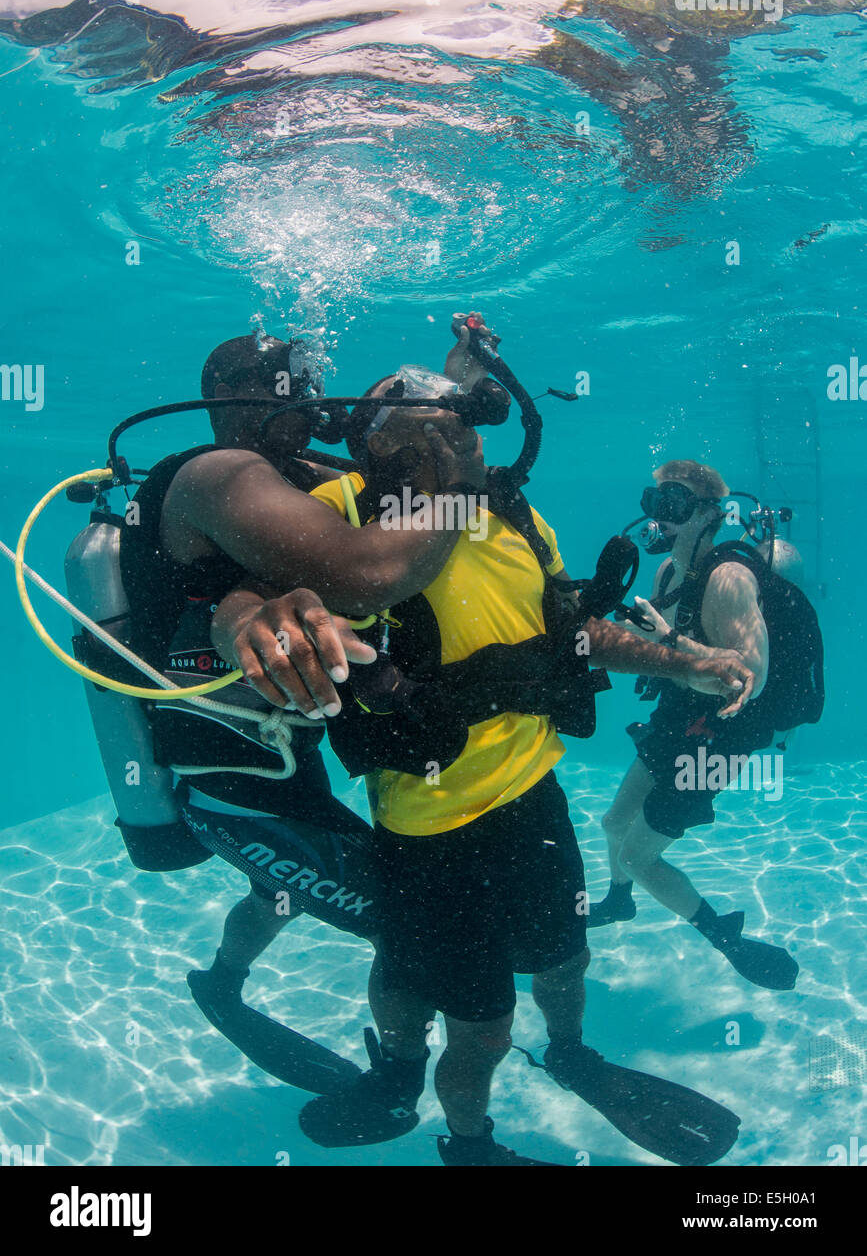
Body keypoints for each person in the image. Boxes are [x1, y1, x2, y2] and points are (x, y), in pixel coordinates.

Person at [217, 372, 755, 1165]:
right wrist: (247, 623)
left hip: (534, 796)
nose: (457, 437)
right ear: (372, 438)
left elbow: (573, 629)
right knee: (475, 1023)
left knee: (567, 960)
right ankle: (459, 1132)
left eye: (461, 422)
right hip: (427, 827)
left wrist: (688, 662)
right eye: (425, 422)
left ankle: (571, 1053)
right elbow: (254, 591)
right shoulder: (344, 513)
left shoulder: (509, 511)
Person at [116, 331, 484, 1078]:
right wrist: (463, 487)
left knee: (274, 889)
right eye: (292, 379)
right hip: (233, 789)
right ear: (232, 395)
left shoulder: (286, 475)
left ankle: (220, 984)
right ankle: (397, 1081)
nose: (312, 395)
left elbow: (388, 483)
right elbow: (366, 571)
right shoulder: (221, 472)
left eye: (311, 378)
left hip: (280, 760)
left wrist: (446, 402)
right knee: (407, 922)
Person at [589, 459, 800, 991]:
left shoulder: (729, 578)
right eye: (653, 502)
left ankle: (727, 939)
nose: (659, 517)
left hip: (721, 736)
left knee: (638, 856)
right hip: (678, 714)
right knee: (616, 823)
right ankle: (618, 903)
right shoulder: (666, 573)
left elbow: (751, 676)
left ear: (709, 515)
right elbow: (652, 642)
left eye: (674, 504)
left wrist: (671, 643)